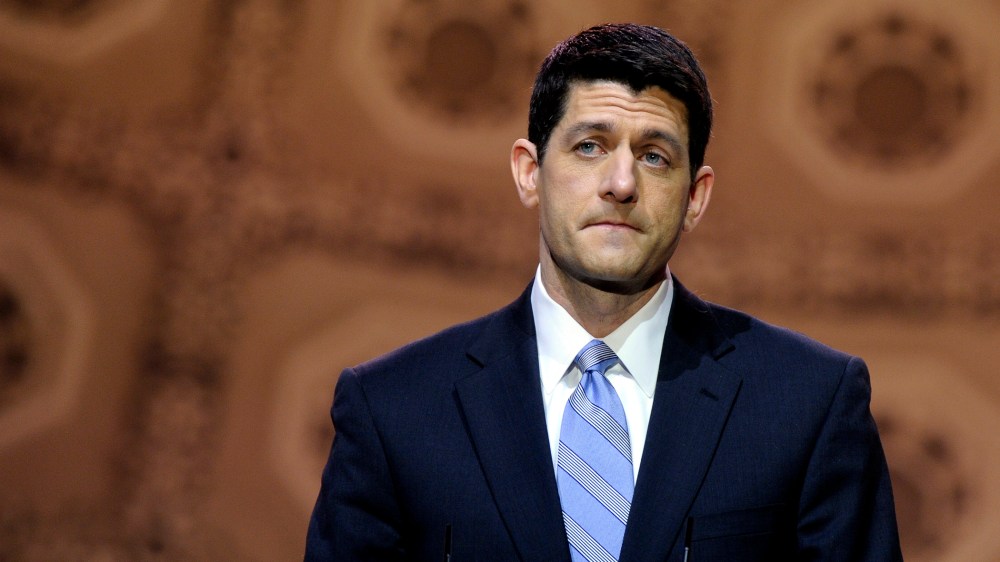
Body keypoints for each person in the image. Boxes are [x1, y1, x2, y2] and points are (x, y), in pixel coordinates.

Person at [305, 23, 902, 561]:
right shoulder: (392, 409)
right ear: (528, 171)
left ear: (696, 197)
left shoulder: (809, 402)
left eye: (654, 156)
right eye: (590, 146)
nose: (621, 184)